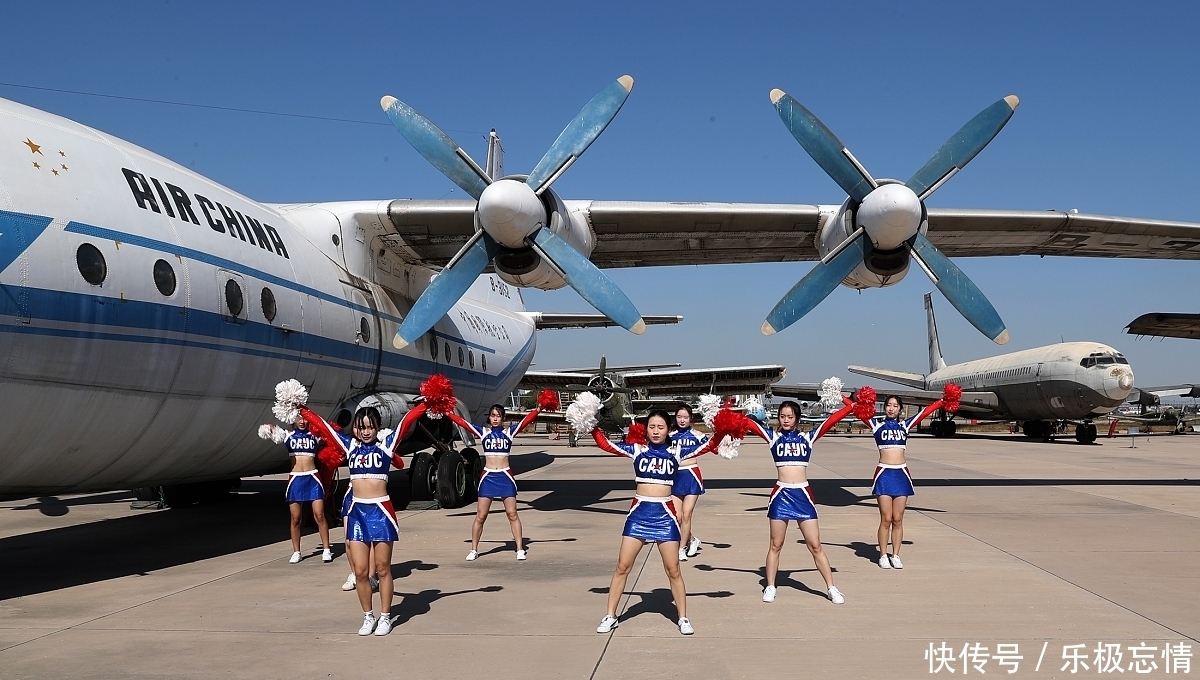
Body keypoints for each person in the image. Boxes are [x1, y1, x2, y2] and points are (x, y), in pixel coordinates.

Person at [588, 410, 721, 636]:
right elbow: (606, 445)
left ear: (668, 429)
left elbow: (708, 445)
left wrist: (724, 427)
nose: (656, 431)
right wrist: (591, 425)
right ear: (645, 429)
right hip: (639, 514)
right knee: (622, 567)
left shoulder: (677, 452)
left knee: (673, 570)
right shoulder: (637, 449)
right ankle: (611, 615)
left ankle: (683, 618)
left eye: (660, 427)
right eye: (651, 427)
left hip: (665, 516)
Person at [301, 402, 427, 636]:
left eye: (370, 427)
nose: (366, 431)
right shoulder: (350, 447)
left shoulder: (388, 445)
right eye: (361, 427)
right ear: (356, 429)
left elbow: (408, 419)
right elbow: (325, 428)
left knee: (382, 569)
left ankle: (386, 617)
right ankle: (368, 616)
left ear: (378, 428)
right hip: (358, 512)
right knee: (360, 571)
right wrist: (302, 409)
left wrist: (430, 402)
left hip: (381, 512)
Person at [744, 400, 854, 604]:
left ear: (797, 419)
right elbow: (749, 424)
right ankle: (770, 586)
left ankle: (831, 587)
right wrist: (723, 413)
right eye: (782, 416)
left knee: (815, 545)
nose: (785, 420)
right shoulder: (773, 437)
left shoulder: (807, 438)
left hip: (803, 495)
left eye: (790, 417)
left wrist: (849, 406)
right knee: (775, 545)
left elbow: (830, 421)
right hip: (781, 495)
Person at [446, 395, 551, 561]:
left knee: (512, 514)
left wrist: (538, 409)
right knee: (481, 516)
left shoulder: (509, 433)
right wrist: (447, 412)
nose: (495, 418)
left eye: (498, 416)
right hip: (488, 477)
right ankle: (474, 549)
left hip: (505, 477)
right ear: (489, 417)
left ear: (503, 418)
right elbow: (462, 423)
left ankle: (519, 548)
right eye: (492, 415)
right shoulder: (483, 432)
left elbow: (525, 422)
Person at [854, 392, 951, 570]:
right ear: (884, 408)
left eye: (895, 406)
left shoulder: (905, 426)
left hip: (901, 475)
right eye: (888, 405)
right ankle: (882, 555)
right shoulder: (876, 425)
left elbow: (925, 412)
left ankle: (895, 555)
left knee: (898, 519)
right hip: (884, 474)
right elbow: (855, 409)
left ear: (900, 409)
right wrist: (841, 397)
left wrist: (943, 401)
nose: (891, 408)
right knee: (886, 518)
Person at [281, 417, 333, 563]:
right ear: (293, 419)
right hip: (296, 479)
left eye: (304, 419)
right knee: (295, 518)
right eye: (298, 419)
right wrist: (269, 428)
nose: (302, 422)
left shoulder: (314, 436)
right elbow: (274, 433)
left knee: (320, 515)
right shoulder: (288, 436)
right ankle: (296, 551)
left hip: (313, 478)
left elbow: (329, 433)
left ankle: (326, 549)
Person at [669, 404, 709, 562]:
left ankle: (681, 549)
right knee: (677, 517)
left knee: (686, 515)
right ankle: (692, 540)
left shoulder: (698, 435)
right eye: (679, 417)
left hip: (691, 476)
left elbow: (713, 447)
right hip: (674, 477)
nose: (682, 420)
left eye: (685, 417)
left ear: (691, 418)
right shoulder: (669, 435)